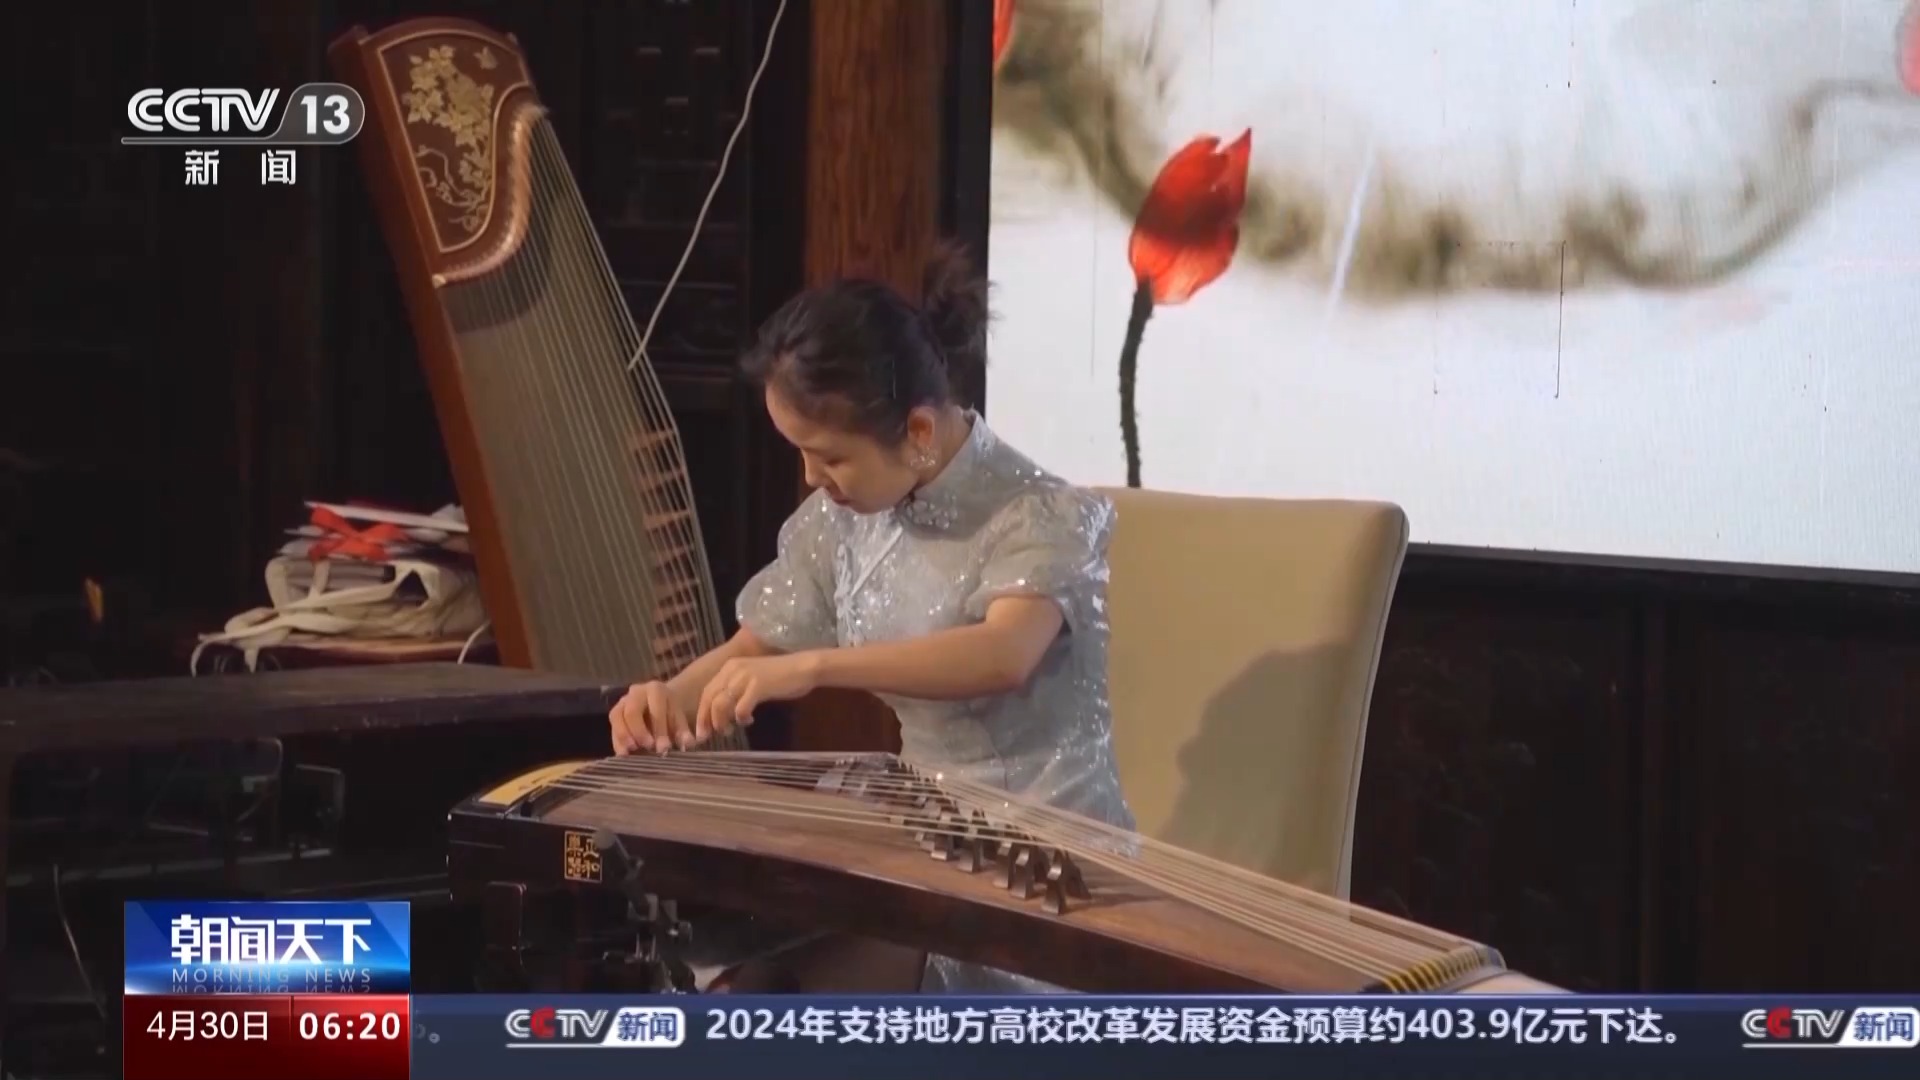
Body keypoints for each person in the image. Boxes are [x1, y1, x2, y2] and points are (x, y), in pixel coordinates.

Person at [606, 243, 1136, 993]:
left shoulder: (1042, 514)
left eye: (829, 457)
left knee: (783, 1002)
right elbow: (758, 646)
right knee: (745, 992)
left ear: (918, 432)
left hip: (1043, 863)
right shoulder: (845, 519)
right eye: (800, 453)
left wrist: (818, 666)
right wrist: (670, 698)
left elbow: (1003, 654)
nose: (812, 478)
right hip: (922, 837)